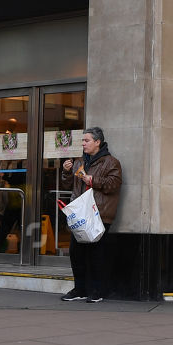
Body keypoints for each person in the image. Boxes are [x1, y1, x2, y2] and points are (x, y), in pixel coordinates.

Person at [59, 128, 122, 302]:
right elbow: (67, 185)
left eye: (86, 140)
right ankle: (80, 289)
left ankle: (97, 291)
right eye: (83, 141)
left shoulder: (111, 162)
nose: (83, 144)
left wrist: (93, 181)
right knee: (76, 253)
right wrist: (66, 171)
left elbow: (114, 185)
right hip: (80, 215)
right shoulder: (79, 162)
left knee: (96, 254)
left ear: (97, 142)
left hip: (99, 213)